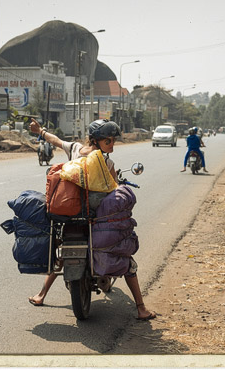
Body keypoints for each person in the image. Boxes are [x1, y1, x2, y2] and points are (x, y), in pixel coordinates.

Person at [26, 118, 157, 321]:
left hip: (70, 215)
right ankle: (141, 308)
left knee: (61, 253)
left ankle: (41, 294)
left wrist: (40, 131)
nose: (111, 145)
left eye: (113, 141)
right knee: (126, 258)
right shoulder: (107, 162)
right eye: (108, 141)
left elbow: (56, 141)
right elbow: (113, 188)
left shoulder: (76, 149)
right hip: (94, 220)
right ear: (96, 141)